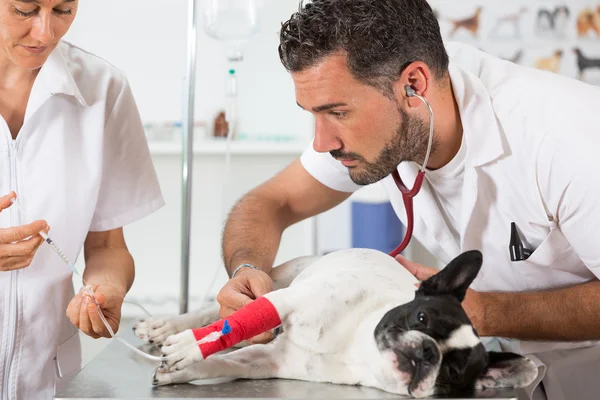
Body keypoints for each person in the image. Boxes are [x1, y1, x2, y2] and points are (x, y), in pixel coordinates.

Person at [216, 0, 600, 399]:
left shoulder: (567, 138)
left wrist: (486, 312)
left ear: (414, 85)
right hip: (486, 370)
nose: (321, 141)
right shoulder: (386, 108)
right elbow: (270, 203)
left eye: (338, 113)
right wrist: (247, 270)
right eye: (313, 114)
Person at [0, 1, 164, 399]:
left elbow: (108, 246)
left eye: (63, 9)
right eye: (25, 9)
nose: (46, 33)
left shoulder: (102, 88)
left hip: (45, 379)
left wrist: (105, 288)